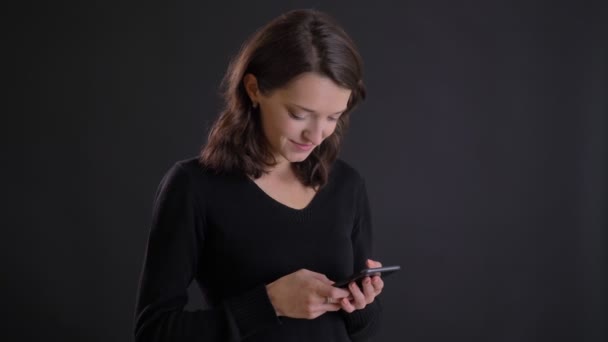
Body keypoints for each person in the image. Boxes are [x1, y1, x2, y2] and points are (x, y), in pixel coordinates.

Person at [134, 8, 385, 342]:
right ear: (254, 89)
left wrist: (362, 304)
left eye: (333, 117)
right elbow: (154, 333)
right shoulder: (194, 187)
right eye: (299, 114)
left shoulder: (347, 186)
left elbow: (362, 333)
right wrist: (269, 304)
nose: (317, 135)